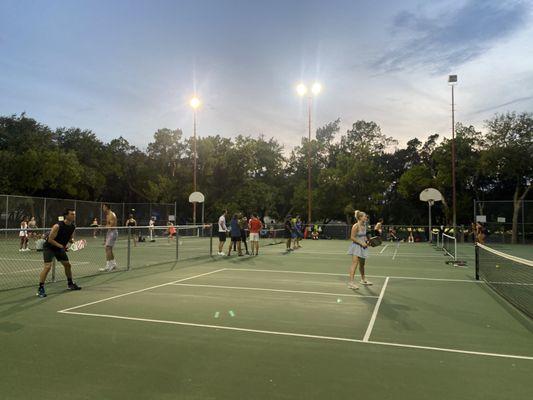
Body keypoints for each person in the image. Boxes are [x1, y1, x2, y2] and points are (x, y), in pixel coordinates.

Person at [36, 209, 81, 297]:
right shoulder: (57, 226)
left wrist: (74, 243)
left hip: (59, 248)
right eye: (72, 214)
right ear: (66, 216)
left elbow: (70, 238)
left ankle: (70, 284)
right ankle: (40, 288)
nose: (74, 216)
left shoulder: (73, 226)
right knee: (47, 267)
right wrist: (62, 246)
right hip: (49, 247)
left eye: (74, 214)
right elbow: (50, 240)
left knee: (67, 265)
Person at [347, 210, 372, 289]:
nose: (366, 217)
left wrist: (368, 242)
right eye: (364, 216)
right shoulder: (355, 226)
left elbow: (364, 236)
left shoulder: (364, 225)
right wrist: (361, 243)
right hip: (356, 247)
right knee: (355, 264)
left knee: (362, 264)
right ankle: (351, 283)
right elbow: (352, 237)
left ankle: (363, 279)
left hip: (363, 247)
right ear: (360, 217)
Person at [99, 204, 118, 272]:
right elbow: (108, 225)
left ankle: (110, 266)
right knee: (108, 248)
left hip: (113, 232)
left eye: (103, 207)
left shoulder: (111, 214)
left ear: (107, 207)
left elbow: (111, 226)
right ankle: (112, 264)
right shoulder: (107, 215)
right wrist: (102, 226)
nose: (103, 208)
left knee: (108, 248)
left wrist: (103, 227)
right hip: (110, 232)